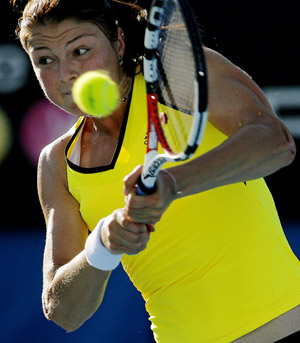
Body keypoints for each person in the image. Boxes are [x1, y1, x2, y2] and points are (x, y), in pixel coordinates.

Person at [10, 0, 300, 342]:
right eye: (46, 60)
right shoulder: (56, 161)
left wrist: (174, 183)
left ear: (118, 42)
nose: (66, 73)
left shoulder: (174, 75)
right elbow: (64, 311)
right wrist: (102, 243)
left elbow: (276, 142)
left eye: (81, 50)